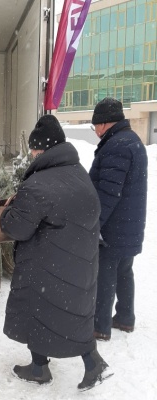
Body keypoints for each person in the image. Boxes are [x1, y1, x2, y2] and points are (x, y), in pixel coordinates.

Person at [0, 114, 113, 391]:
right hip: (79, 263)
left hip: (46, 265)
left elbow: (17, 229)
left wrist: (5, 215)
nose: (31, 154)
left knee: (37, 312)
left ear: (41, 149)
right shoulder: (79, 173)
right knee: (73, 315)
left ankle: (40, 368)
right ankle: (88, 362)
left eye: (33, 149)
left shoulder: (37, 184)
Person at [89, 97, 148, 341]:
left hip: (114, 227)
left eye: (95, 126)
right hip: (129, 224)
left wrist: (95, 224)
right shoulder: (131, 141)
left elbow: (108, 192)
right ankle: (125, 318)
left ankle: (99, 326)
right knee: (124, 271)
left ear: (104, 123)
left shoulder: (117, 146)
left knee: (105, 273)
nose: (95, 131)